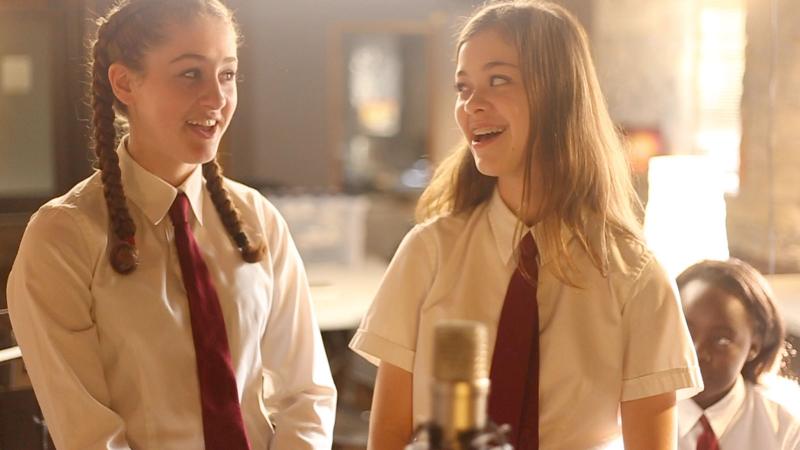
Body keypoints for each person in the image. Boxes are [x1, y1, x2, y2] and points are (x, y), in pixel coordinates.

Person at [349, 1, 702, 449]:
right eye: (463, 87)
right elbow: (389, 440)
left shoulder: (635, 279)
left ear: (558, 93)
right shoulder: (428, 254)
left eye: (498, 80)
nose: (471, 105)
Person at [7, 1, 336, 449]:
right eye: (190, 74)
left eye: (227, 74)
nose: (217, 98)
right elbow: (88, 435)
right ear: (125, 82)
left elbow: (307, 393)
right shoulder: (63, 237)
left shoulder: (256, 219)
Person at [677, 259, 800, 449]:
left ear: (754, 347)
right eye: (686, 331)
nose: (697, 352)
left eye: (721, 340)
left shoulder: (786, 428)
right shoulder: (629, 416)